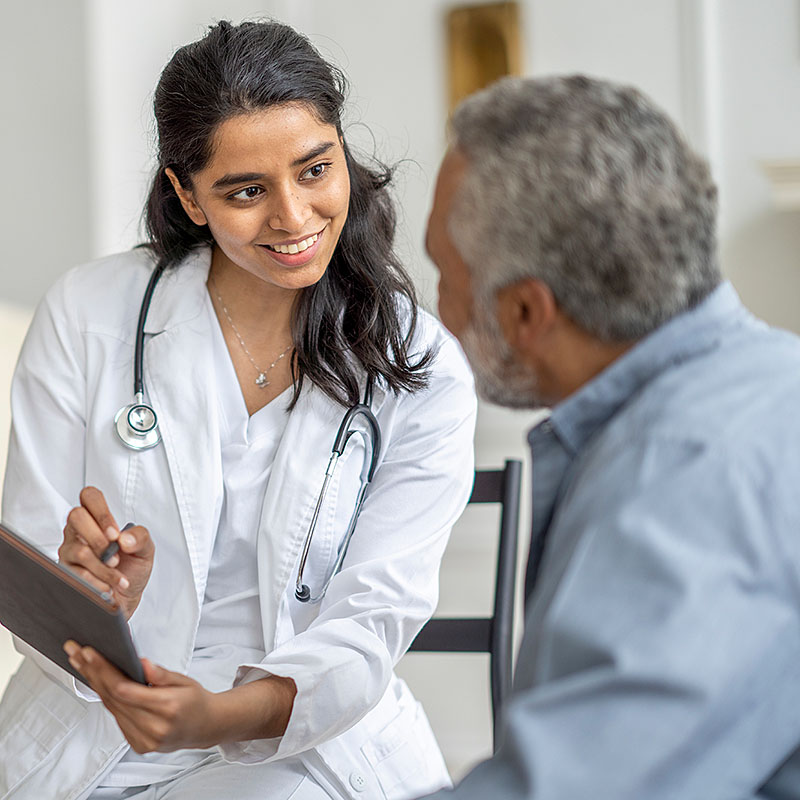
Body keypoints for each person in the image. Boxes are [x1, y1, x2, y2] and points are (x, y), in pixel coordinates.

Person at [0, 20, 476, 800]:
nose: (293, 218)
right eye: (246, 191)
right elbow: (28, 576)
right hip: (97, 735)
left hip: (302, 743)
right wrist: (94, 600)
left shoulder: (419, 367)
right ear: (186, 194)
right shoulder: (88, 314)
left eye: (315, 169)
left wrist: (214, 718)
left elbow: (370, 626)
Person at [422, 74, 800, 799]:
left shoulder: (680, 475)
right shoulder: (771, 378)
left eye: (446, 274)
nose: (436, 310)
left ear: (527, 312)